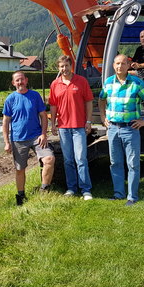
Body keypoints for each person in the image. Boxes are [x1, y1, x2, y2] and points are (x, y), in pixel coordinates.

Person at [99, 54, 144, 206]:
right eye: (117, 63)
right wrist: (103, 116)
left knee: (132, 164)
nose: (120, 66)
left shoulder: (136, 83)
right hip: (112, 129)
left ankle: (132, 197)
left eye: (123, 63)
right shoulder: (108, 82)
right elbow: (101, 99)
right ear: (113, 65)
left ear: (128, 65)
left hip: (130, 129)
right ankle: (118, 194)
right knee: (115, 162)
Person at [3, 71, 55, 206]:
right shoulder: (10, 99)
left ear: (26, 80)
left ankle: (44, 189)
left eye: (22, 79)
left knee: (49, 159)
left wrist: (44, 134)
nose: (20, 82)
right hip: (18, 139)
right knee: (20, 169)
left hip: (36, 137)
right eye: (17, 80)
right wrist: (7, 142)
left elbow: (44, 116)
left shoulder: (35, 96)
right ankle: (21, 196)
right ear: (13, 83)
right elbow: (5, 122)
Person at [49, 55, 94, 200]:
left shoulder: (81, 81)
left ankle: (86, 189)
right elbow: (53, 105)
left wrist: (88, 121)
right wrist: (53, 123)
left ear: (71, 66)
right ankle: (71, 188)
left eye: (66, 66)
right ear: (58, 68)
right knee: (68, 159)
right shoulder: (55, 84)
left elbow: (88, 102)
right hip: (63, 127)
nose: (64, 69)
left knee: (81, 158)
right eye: (61, 66)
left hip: (79, 126)